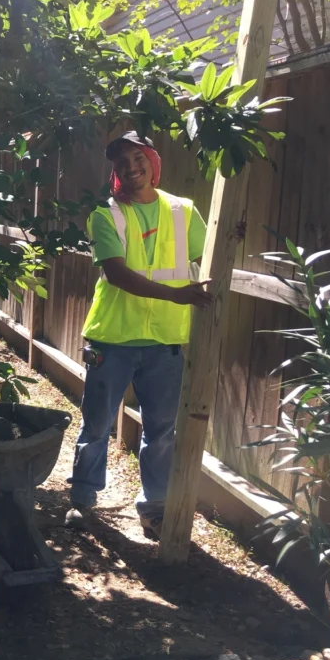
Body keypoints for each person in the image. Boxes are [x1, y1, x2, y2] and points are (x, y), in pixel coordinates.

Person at [65, 131, 212, 540]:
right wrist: (177, 294)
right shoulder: (104, 214)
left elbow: (210, 253)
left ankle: (156, 511)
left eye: (137, 158)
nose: (130, 168)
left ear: (152, 161)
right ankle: (82, 500)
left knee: (162, 430)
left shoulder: (184, 212)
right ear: (114, 172)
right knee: (96, 425)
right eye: (121, 163)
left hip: (165, 342)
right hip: (112, 340)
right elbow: (117, 273)